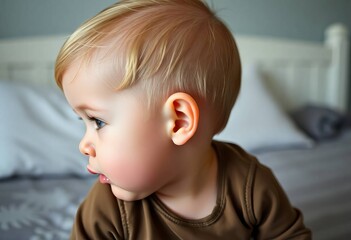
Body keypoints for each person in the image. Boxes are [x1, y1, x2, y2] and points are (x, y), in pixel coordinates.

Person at [55, 0, 312, 239]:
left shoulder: (250, 186)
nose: (83, 145)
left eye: (97, 122)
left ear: (179, 121)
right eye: (84, 122)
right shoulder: (107, 209)